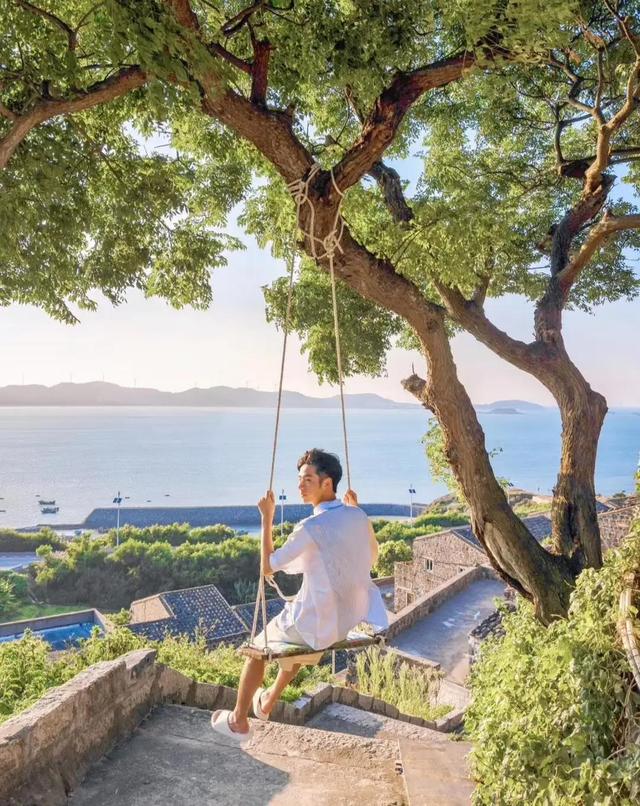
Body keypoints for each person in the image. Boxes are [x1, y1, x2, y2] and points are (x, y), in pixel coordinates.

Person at [211, 448, 388, 743]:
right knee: (300, 635)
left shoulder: (310, 528)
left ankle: (238, 722)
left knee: (260, 648)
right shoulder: (358, 516)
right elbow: (372, 555)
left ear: (327, 483)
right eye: (299, 480)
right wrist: (355, 510)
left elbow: (269, 567)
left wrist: (266, 519)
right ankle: (267, 702)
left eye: (307, 479)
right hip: (347, 619)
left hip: (318, 622)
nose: (299, 486)